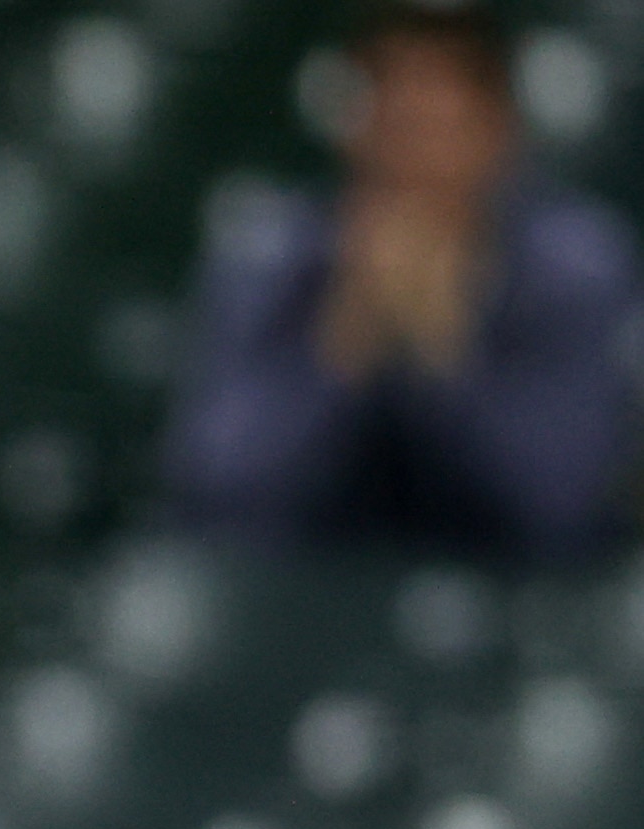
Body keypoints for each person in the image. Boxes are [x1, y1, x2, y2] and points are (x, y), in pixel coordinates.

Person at [162, 0, 642, 561]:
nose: (414, 155)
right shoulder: (272, 256)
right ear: (353, 132)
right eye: (396, 118)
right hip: (294, 611)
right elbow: (212, 495)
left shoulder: (577, 266)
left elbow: (559, 510)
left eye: (441, 122)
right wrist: (345, 346)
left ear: (500, 133)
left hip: (513, 621)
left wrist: (438, 360)